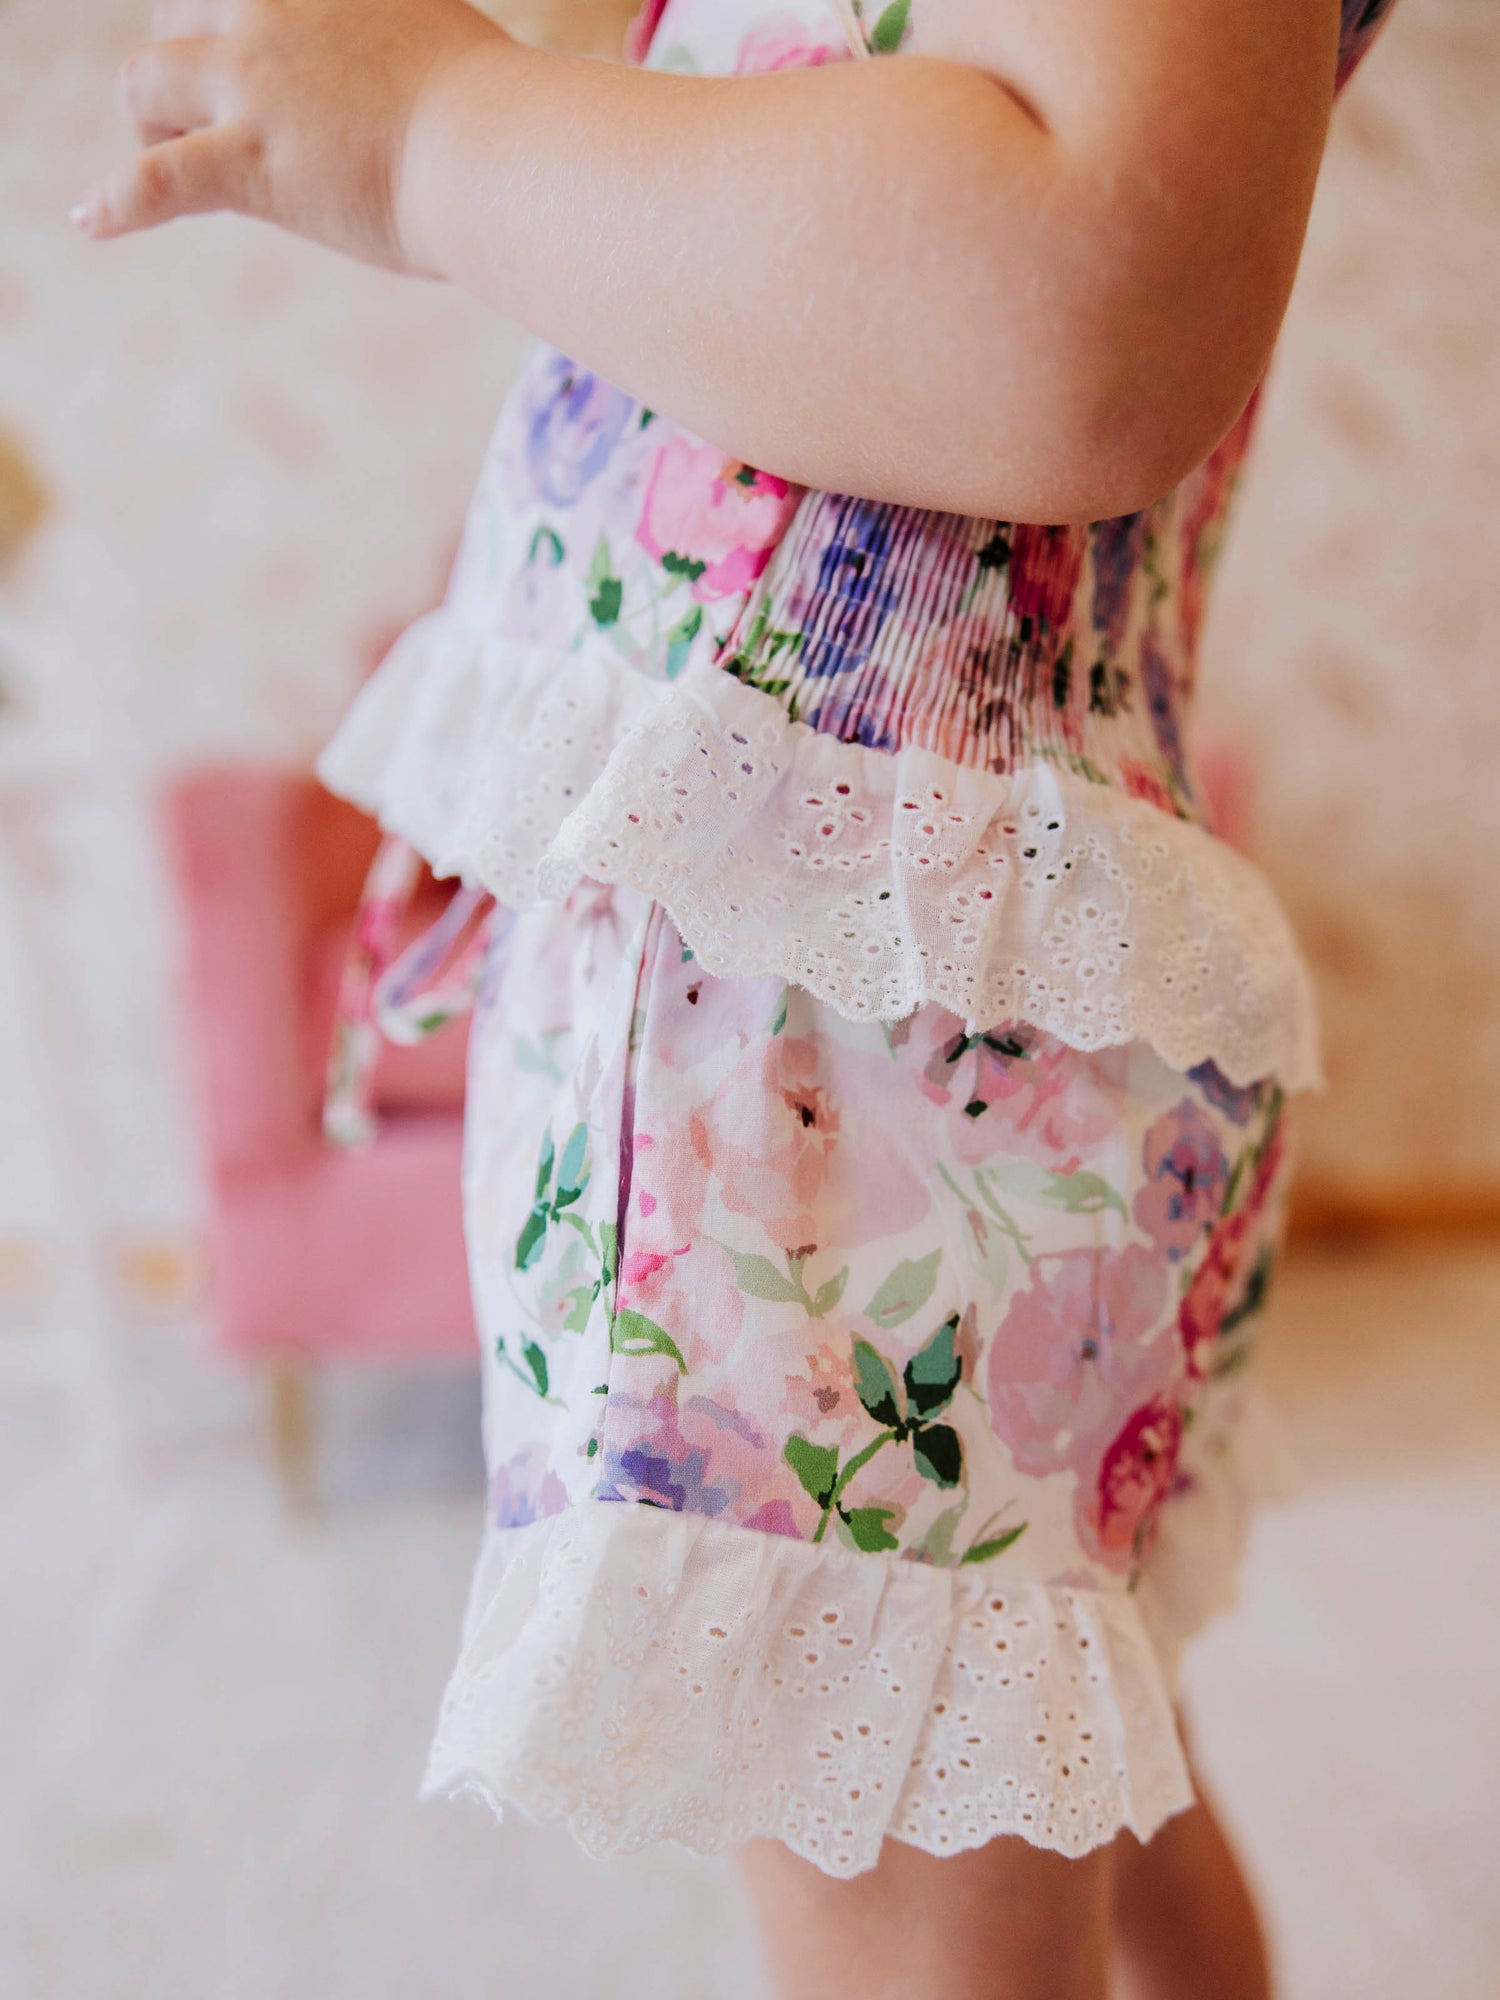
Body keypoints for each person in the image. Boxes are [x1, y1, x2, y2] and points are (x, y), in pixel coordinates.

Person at [79, 3, 1400, 1995]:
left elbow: (1087, 297)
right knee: (1054, 1773)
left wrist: (437, 129)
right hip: (849, 976)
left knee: (940, 1880)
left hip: (869, 1023)